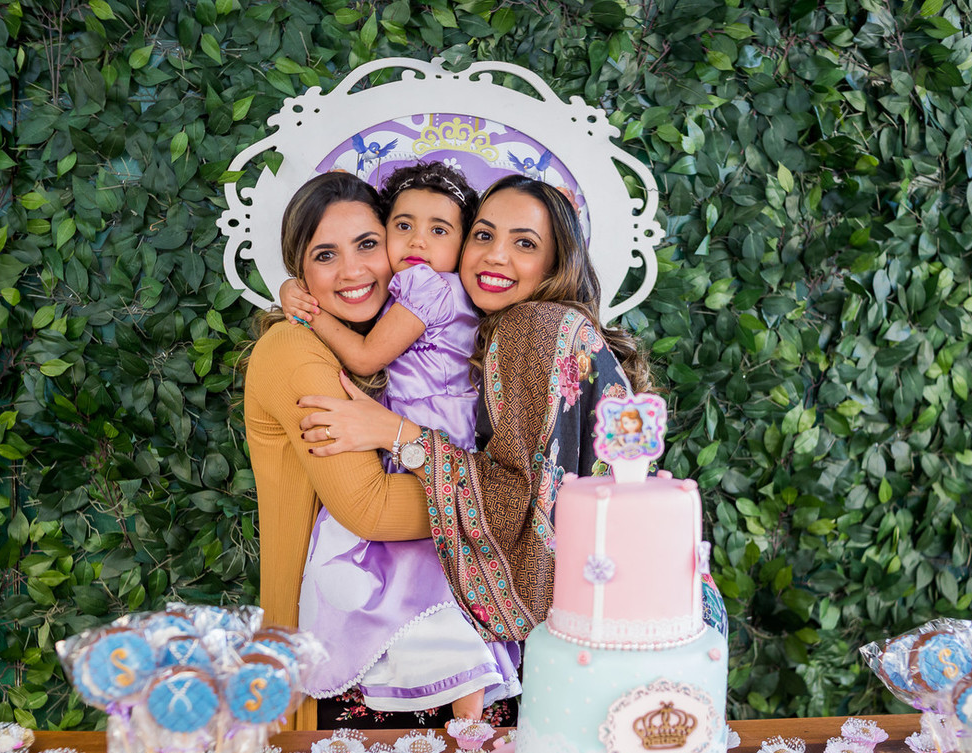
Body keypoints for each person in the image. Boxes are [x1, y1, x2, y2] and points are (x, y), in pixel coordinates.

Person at [298, 174, 729, 642]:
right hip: (667, 611)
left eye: (524, 243)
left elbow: (516, 505)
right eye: (484, 236)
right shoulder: (513, 325)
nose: (496, 256)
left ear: (554, 263)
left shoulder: (530, 327)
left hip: (621, 623)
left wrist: (397, 434)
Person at [243, 171, 513, 730]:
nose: (352, 271)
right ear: (299, 271)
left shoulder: (404, 322)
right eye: (325, 255)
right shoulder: (295, 349)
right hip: (325, 657)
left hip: (384, 636)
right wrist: (510, 505)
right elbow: (371, 509)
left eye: (367, 244)